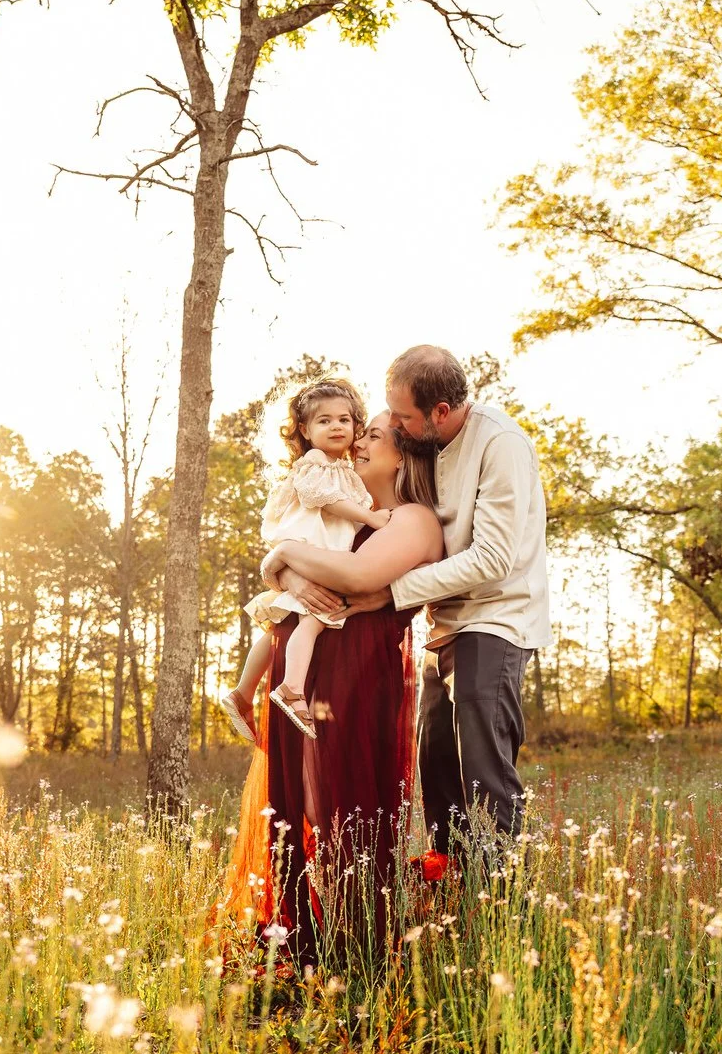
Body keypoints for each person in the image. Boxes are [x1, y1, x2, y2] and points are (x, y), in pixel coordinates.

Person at [264, 346, 551, 856]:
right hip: (445, 627)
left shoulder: (498, 444)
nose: (387, 426)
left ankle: (500, 909)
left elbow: (491, 560)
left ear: (439, 411)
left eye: (399, 418)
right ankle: (449, 892)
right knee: (437, 769)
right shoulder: (417, 456)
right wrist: (283, 563)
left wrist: (388, 595)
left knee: (481, 772)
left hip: (495, 620)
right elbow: (328, 549)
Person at [222, 410, 442, 953]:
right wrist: (287, 567)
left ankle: (357, 940)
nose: (358, 442)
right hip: (305, 665)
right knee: (296, 805)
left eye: (372, 435)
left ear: (403, 454)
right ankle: (297, 936)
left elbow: (354, 579)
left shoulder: (411, 517)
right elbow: (290, 577)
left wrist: (283, 557)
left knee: (345, 809)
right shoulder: (341, 519)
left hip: (358, 673)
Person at [220, 378, 386, 744]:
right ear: (306, 431)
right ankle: (291, 688)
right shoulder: (316, 464)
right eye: (324, 421)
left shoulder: (340, 468)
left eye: (344, 419)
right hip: (311, 545)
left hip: (315, 548)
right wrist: (373, 518)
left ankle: (242, 693)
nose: (336, 427)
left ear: (356, 425)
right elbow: (321, 498)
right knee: (312, 621)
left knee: (282, 624)